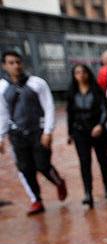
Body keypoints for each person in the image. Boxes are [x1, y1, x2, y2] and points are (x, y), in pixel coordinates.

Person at [0, 50, 67, 215]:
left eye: (18, 62)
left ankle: (58, 181)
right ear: (4, 66)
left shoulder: (37, 83)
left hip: (38, 132)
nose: (16, 66)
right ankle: (36, 200)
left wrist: (48, 131)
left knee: (43, 165)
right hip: (17, 135)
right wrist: (1, 136)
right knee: (25, 168)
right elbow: (2, 113)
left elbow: (49, 107)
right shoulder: (2, 87)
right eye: (11, 63)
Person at [66, 64, 107, 208]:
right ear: (74, 76)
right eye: (77, 72)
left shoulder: (96, 90)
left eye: (83, 72)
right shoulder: (72, 93)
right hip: (80, 132)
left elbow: (105, 109)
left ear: (88, 74)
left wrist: (100, 125)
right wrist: (70, 133)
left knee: (103, 161)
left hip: (98, 131)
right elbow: (70, 114)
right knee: (84, 163)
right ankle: (88, 193)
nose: (81, 75)